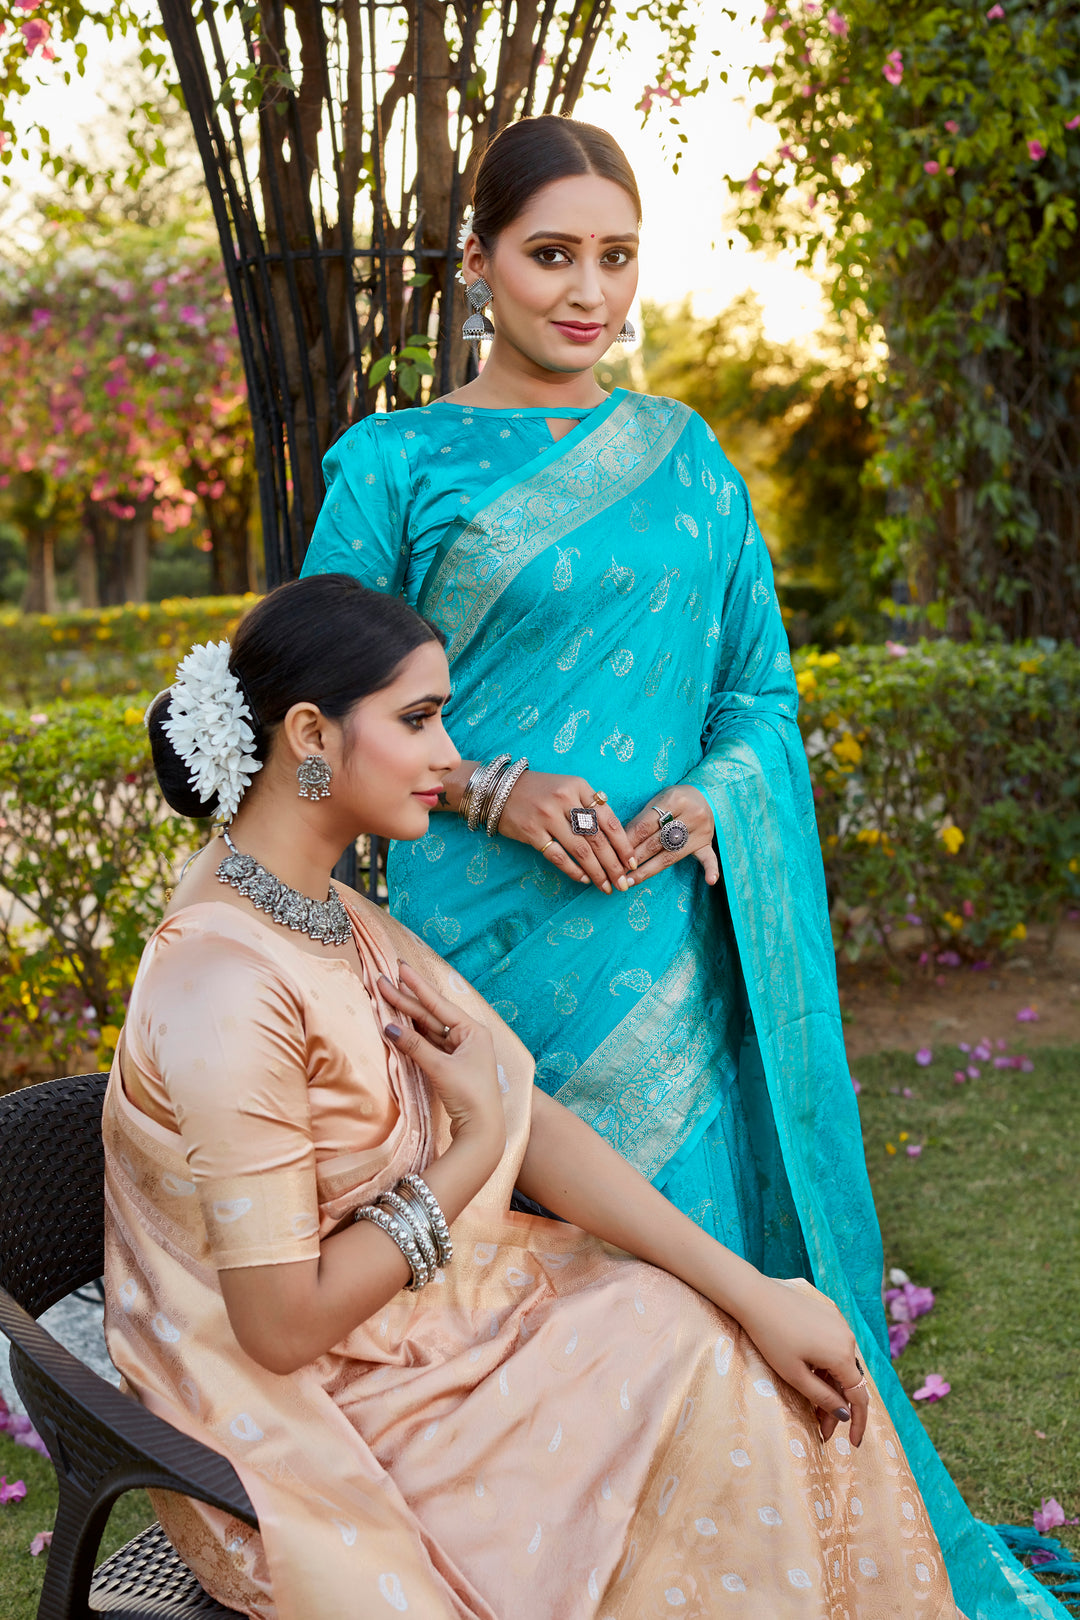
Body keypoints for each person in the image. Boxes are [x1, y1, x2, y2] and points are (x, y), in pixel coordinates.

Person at [298, 119, 1065, 1616]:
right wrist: (494, 784)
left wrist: (720, 797)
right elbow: (313, 718)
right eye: (551, 254)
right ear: (478, 264)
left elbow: (757, 699)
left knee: (704, 1310)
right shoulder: (395, 464)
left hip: (665, 968)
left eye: (616, 256)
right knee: (538, 1333)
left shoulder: (690, 462)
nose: (588, 292)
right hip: (479, 956)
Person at [104, 577, 965, 1619]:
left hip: (424, 1338)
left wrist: (754, 1293)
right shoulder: (226, 987)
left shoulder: (328, 912)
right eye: (419, 719)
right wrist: (473, 1147)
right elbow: (281, 1330)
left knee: (732, 1337)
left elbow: (527, 1111)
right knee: (711, 1391)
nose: (445, 755)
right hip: (312, 1424)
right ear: (308, 734)